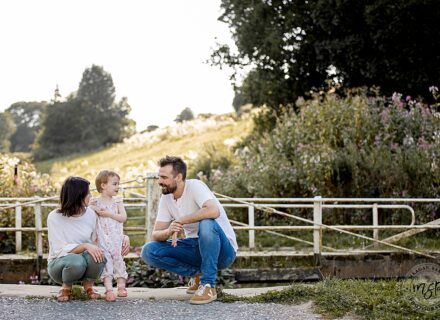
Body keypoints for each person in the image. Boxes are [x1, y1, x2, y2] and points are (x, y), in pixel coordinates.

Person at [141, 156, 238, 304]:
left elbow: (213, 210)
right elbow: (156, 234)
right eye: (159, 176)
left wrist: (180, 220)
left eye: (164, 177)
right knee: (149, 251)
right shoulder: (166, 198)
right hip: (195, 247)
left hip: (223, 251)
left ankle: (208, 285)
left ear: (178, 177)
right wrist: (168, 231)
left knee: (206, 222)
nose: (159, 181)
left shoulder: (195, 186)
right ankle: (197, 274)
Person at [47, 176, 130, 302]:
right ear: (78, 195)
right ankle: (66, 287)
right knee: (76, 261)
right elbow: (59, 249)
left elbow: (103, 232)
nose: (90, 196)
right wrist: (85, 246)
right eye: (87, 193)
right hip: (60, 265)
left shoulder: (90, 214)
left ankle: (88, 286)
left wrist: (124, 238)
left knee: (99, 254)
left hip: (85, 261)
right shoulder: (54, 217)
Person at [89, 170, 128, 302]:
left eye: (118, 184)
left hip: (115, 237)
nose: (118, 187)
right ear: (103, 185)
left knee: (118, 260)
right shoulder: (95, 202)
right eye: (115, 184)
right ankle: (109, 289)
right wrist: (94, 209)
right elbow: (86, 208)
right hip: (102, 238)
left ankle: (121, 286)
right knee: (106, 262)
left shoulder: (117, 202)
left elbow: (123, 217)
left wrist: (109, 214)